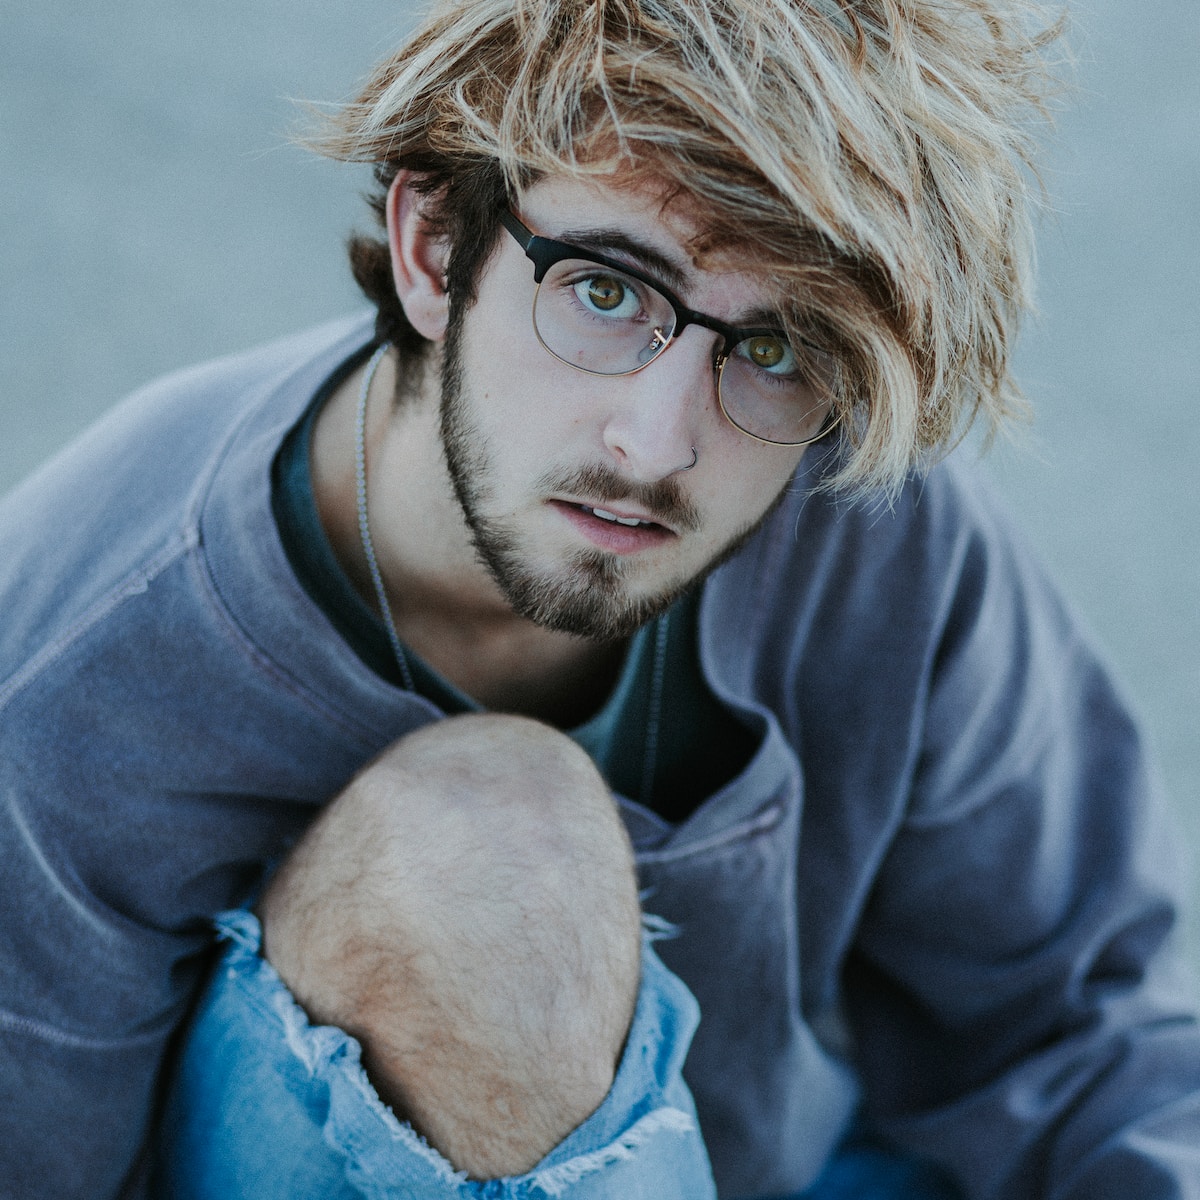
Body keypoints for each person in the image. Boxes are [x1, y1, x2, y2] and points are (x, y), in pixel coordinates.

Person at [1, 0, 1198, 1197]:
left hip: (783, 1164)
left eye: (774, 351)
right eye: (608, 292)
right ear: (434, 250)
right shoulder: (82, 667)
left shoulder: (871, 526)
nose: (655, 443)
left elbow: (1083, 1035)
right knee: (490, 848)